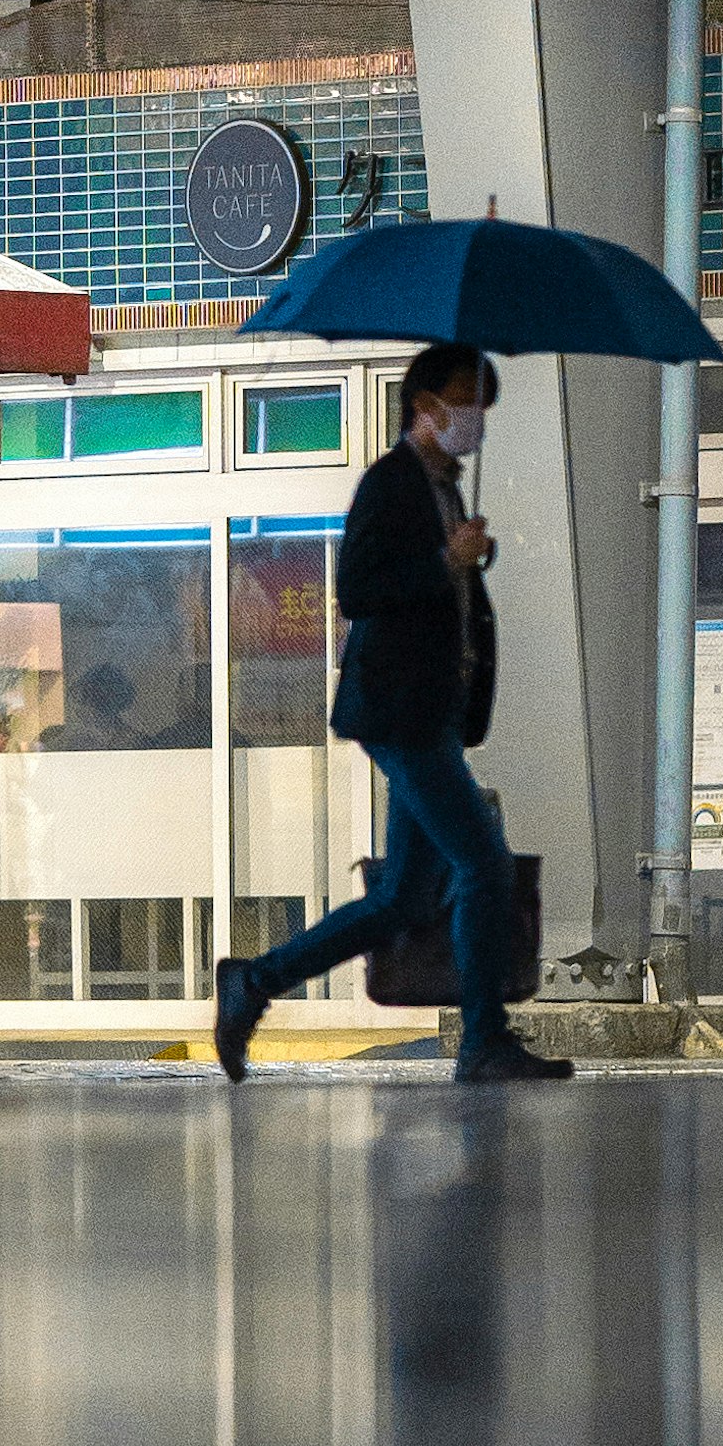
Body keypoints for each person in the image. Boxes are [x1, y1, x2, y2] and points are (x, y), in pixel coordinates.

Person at [211, 345, 572, 1089]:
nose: (474, 416)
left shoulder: (445, 489)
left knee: (404, 897)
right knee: (483, 863)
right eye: (465, 398)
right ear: (425, 404)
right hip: (399, 712)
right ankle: (483, 1039)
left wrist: (464, 560)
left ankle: (253, 982)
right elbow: (357, 587)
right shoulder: (392, 483)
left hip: (430, 712)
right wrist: (447, 560)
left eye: (482, 402)